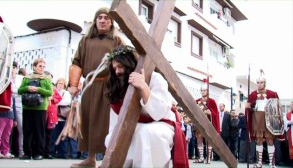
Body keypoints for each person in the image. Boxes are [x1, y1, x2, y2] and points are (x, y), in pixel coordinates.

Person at [104, 45, 188, 167]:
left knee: (147, 133)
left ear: (130, 64)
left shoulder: (155, 78)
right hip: (134, 125)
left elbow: (160, 111)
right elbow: (115, 123)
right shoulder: (117, 88)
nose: (117, 72)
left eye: (120, 66)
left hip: (161, 124)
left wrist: (143, 86)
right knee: (115, 137)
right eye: (114, 68)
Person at [68, 7, 123, 168]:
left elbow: (125, 60)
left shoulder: (117, 41)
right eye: (100, 17)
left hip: (109, 86)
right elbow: (76, 62)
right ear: (95, 20)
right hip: (89, 86)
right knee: (88, 122)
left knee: (106, 123)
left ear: (111, 22)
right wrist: (73, 85)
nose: (103, 20)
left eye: (106, 17)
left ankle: (107, 159)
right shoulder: (85, 40)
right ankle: (90, 159)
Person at [245, 71, 284, 168]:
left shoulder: (272, 93)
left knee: (269, 139)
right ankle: (259, 162)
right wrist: (248, 106)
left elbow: (277, 108)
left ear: (264, 83)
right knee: (258, 140)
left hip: (268, 120)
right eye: (258, 82)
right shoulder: (253, 94)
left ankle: (272, 163)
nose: (259, 84)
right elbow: (249, 107)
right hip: (256, 118)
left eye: (261, 82)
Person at [18, 58, 53, 160]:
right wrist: (27, 88)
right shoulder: (26, 78)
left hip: (40, 108)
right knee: (27, 130)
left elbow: (50, 92)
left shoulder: (46, 79)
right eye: (40, 66)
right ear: (34, 66)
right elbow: (20, 90)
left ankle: (39, 153)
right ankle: (27, 153)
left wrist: (38, 89)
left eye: (43, 66)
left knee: (39, 130)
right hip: (27, 106)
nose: (42, 68)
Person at [193, 80, 220, 164]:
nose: (203, 92)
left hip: (208, 123)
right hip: (199, 123)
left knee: (208, 140)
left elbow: (215, 113)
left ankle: (208, 158)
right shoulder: (197, 101)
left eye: (204, 90)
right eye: (202, 90)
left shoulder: (212, 101)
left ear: (207, 91)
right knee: (199, 138)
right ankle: (201, 157)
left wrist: (210, 112)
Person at [44, 72, 62, 159]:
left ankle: (48, 152)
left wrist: (52, 98)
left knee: (49, 135)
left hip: (51, 114)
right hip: (42, 112)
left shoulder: (53, 89)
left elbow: (59, 98)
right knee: (40, 133)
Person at [11, 62, 25, 158]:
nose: (13, 69)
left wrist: (16, 91)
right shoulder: (5, 77)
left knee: (21, 129)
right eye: (12, 67)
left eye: (15, 67)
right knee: (6, 129)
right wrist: (18, 91)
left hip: (20, 105)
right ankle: (5, 150)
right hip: (8, 105)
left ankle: (21, 151)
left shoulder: (21, 78)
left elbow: (23, 90)